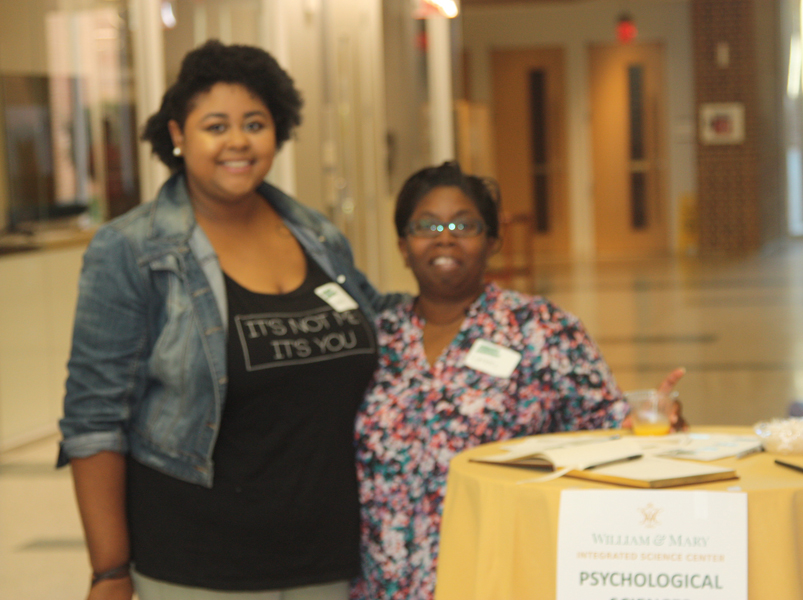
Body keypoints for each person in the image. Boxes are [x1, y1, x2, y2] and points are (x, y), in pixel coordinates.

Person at [58, 40, 401, 600]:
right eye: (216, 125)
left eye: (255, 123)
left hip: (326, 555)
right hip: (198, 563)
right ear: (178, 135)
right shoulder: (131, 250)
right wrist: (110, 570)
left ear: (278, 132)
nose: (238, 141)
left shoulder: (316, 235)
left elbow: (380, 319)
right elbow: (94, 418)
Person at [350, 162, 685, 600]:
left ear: (492, 241)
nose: (445, 236)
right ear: (403, 245)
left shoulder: (540, 327)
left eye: (464, 224)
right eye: (426, 225)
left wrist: (652, 417)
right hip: (384, 581)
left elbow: (607, 422)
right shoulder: (373, 337)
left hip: (500, 572)